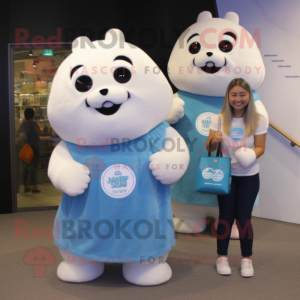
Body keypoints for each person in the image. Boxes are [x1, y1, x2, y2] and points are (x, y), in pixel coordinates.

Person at [206, 78, 268, 277]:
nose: (238, 98)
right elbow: (209, 148)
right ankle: (221, 257)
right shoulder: (219, 119)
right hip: (225, 175)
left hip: (249, 176)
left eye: (242, 94)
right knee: (225, 217)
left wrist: (250, 154)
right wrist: (214, 141)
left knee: (244, 219)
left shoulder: (258, 119)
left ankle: (246, 260)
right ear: (228, 96)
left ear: (249, 96)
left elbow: (261, 147)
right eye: (234, 94)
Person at [18, 108, 46, 193]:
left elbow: (20, 136)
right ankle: (34, 187)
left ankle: (25, 186)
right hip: (34, 147)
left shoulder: (22, 125)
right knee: (33, 167)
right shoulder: (34, 123)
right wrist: (49, 133)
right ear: (32, 115)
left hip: (25, 148)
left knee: (25, 168)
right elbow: (40, 132)